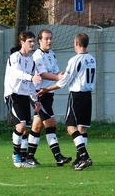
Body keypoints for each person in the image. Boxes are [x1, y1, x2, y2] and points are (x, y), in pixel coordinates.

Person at [37, 33, 96, 171]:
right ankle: (79, 160)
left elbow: (63, 82)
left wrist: (47, 89)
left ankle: (85, 156)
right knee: (82, 128)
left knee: (71, 127)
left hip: (77, 96)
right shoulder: (92, 59)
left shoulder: (75, 60)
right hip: (88, 95)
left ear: (76, 43)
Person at [27, 29, 72, 167]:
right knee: (51, 123)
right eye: (46, 39)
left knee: (37, 126)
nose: (49, 41)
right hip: (39, 94)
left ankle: (29, 157)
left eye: (50, 38)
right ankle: (58, 157)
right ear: (40, 41)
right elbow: (43, 74)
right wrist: (58, 78)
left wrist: (64, 74)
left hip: (48, 93)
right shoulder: (38, 55)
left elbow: (55, 71)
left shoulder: (51, 54)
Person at [4, 30, 42, 168]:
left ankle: (24, 159)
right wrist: (31, 77)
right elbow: (17, 73)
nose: (32, 44)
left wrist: (35, 100)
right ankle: (16, 155)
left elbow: (31, 84)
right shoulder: (15, 57)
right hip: (13, 95)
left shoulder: (31, 62)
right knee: (20, 126)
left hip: (25, 96)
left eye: (33, 41)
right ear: (22, 42)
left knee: (25, 129)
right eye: (29, 41)